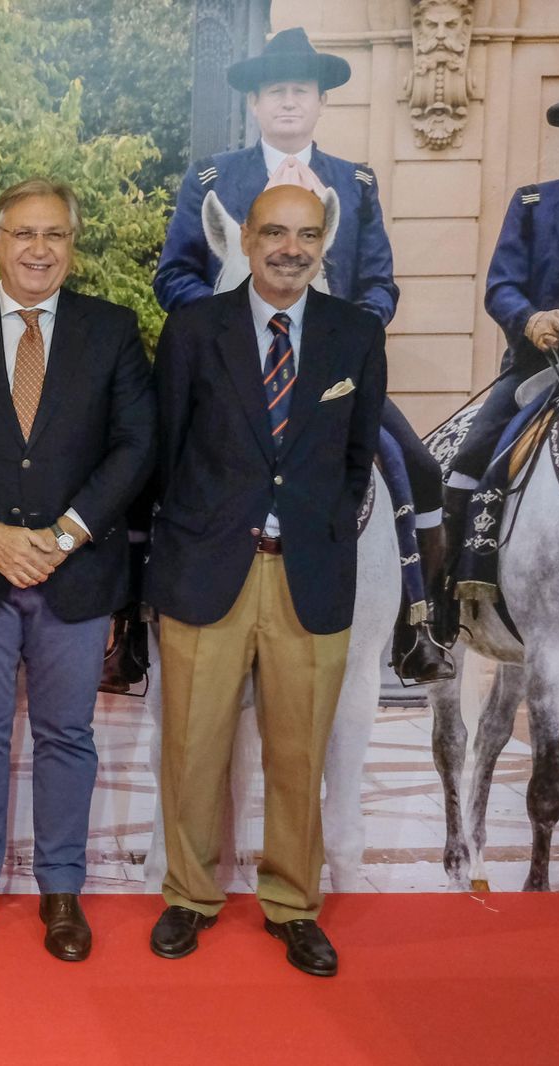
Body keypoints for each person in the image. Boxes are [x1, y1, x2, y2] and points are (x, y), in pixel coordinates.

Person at [0, 178, 155, 961]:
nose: (39, 249)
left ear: (72, 247)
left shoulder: (112, 332)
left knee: (66, 735)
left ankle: (62, 892)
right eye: (23, 235)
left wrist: (66, 535)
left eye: (55, 235)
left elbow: (136, 446)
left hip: (72, 577)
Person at [152, 26, 451, 683]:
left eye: (301, 92)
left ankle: (418, 623)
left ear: (320, 103)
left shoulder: (357, 183)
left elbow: (378, 283)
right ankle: (131, 620)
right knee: (152, 466)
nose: (288, 103)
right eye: (276, 92)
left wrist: (350, 339)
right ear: (255, 104)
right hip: (230, 374)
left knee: (416, 467)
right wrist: (224, 330)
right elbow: (173, 277)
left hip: (331, 379)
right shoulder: (212, 179)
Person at [146, 185, 385, 978]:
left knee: (298, 755)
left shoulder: (356, 334)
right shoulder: (191, 330)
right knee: (192, 749)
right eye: (275, 232)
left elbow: (357, 463)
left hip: (309, 580)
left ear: (324, 244)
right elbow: (168, 452)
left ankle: (292, 903)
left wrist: (316, 524)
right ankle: (189, 894)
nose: (291, 247)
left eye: (307, 234)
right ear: (245, 240)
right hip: (207, 569)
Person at [441, 72, 559, 616]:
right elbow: (501, 284)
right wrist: (530, 321)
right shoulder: (533, 203)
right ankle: (448, 597)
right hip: (541, 369)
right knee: (472, 457)